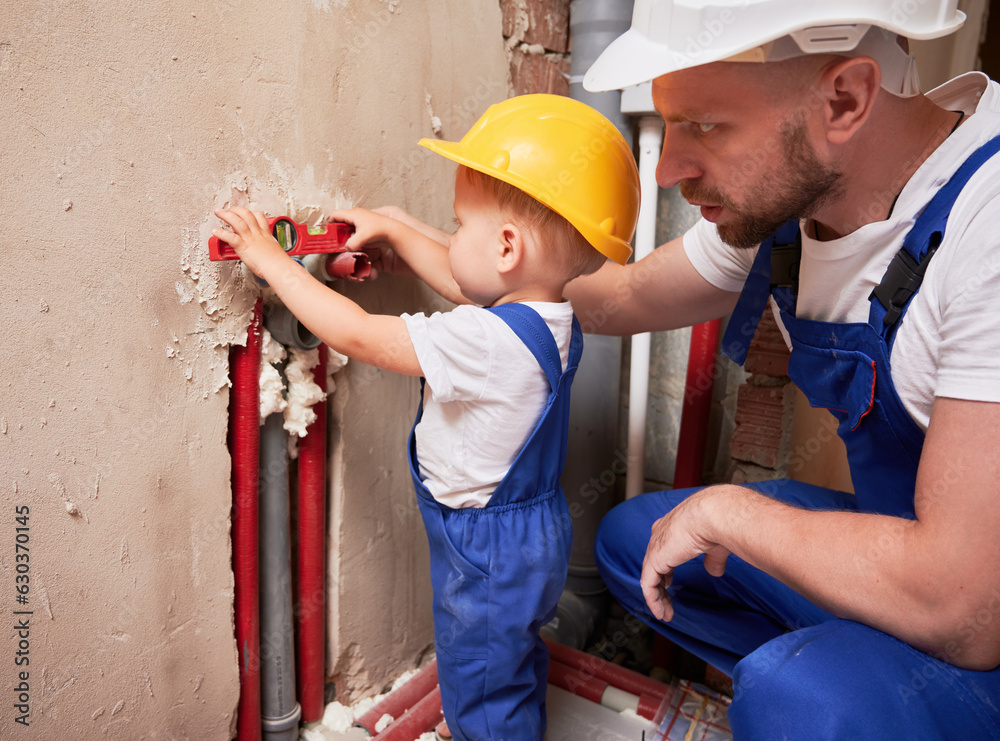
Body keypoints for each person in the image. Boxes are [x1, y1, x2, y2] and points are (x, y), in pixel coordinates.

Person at [557, 1, 1000, 738]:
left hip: (976, 604)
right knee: (637, 538)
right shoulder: (805, 194)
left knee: (800, 697)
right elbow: (623, 296)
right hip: (917, 556)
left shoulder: (985, 230)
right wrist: (463, 260)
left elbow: (966, 608)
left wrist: (730, 512)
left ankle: (832, 702)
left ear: (846, 100)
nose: (668, 168)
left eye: (704, 124)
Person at [213, 94, 640, 741]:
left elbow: (356, 333)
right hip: (527, 534)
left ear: (506, 247)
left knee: (481, 687)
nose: (452, 237)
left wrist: (267, 259)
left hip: (486, 551)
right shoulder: (547, 316)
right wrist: (397, 226)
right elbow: (470, 277)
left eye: (458, 223)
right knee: (508, 661)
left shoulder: (483, 341)